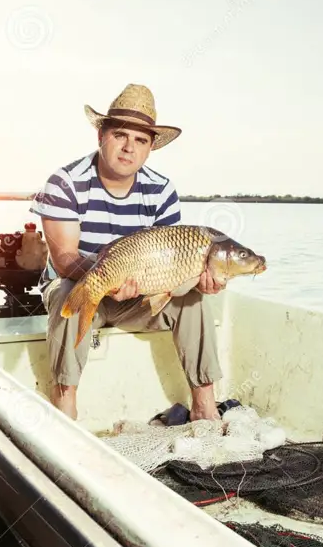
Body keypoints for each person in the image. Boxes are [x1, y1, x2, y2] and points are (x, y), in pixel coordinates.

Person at [29, 83, 225, 422]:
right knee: (67, 295)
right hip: (81, 282)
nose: (128, 148)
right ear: (101, 136)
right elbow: (63, 259)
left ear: (150, 148)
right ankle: (64, 405)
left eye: (140, 140)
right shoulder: (65, 183)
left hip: (139, 294)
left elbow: (173, 261)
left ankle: (204, 407)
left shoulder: (161, 190)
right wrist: (107, 282)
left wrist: (199, 280)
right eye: (120, 135)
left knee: (192, 300)